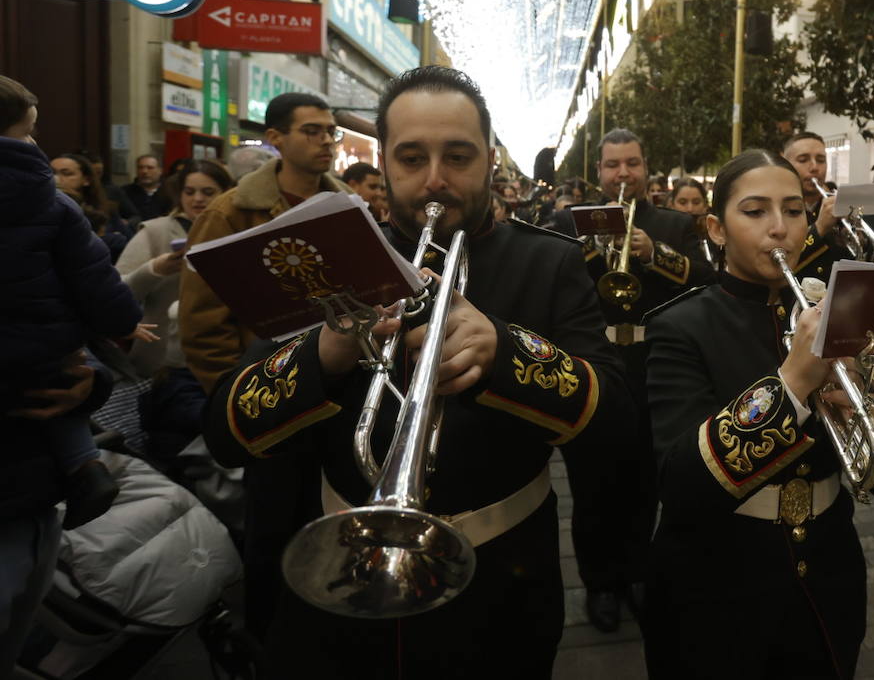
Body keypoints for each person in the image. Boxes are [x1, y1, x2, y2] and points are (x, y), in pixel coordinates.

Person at [200, 65, 631, 676]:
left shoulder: (549, 261)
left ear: (488, 160)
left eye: (458, 156)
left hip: (501, 585)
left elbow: (614, 423)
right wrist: (324, 355)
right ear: (384, 162)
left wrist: (506, 353)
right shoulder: (330, 257)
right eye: (411, 158)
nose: (435, 179)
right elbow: (223, 430)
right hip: (340, 588)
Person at [642, 149, 874, 678]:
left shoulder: (838, 314)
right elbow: (680, 486)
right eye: (755, 212)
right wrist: (793, 383)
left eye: (794, 211)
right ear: (716, 228)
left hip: (828, 569)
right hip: (713, 582)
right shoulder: (680, 326)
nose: (780, 230)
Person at [179, 91, 347, 643]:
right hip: (270, 400)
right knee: (272, 532)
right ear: (275, 139)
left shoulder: (348, 205)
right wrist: (238, 402)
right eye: (312, 131)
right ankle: (267, 642)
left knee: (330, 525)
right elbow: (204, 324)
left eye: (331, 132)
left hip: (336, 394)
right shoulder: (232, 211)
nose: (326, 141)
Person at [550, 130, 711, 632]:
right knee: (592, 480)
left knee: (646, 478)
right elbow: (553, 284)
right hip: (593, 364)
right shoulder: (565, 223)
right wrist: (591, 250)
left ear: (646, 167)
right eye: (613, 165)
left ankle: (640, 573)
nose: (623, 174)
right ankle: (600, 583)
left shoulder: (674, 223)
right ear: (598, 172)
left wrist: (651, 252)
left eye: (633, 164)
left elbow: (708, 279)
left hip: (653, 363)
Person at [0, 77, 146, 534]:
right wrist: (115, 333)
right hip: (39, 363)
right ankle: (84, 465)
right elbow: (105, 296)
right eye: (28, 133)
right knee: (58, 385)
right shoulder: (50, 205)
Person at [115, 159, 233, 457]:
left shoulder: (234, 230)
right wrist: (156, 268)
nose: (197, 199)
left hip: (224, 356)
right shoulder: (156, 232)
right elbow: (116, 292)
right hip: (165, 363)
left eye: (208, 191)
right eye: (190, 191)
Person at [780, 131, 855, 282]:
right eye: (803, 160)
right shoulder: (777, 207)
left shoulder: (839, 202)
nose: (814, 167)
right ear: (785, 164)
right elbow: (779, 265)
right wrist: (819, 228)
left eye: (821, 160)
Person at [121, 154, 171, 223]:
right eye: (140, 168)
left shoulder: (169, 193)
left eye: (150, 168)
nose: (144, 171)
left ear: (160, 171)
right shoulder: (124, 192)